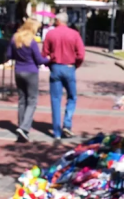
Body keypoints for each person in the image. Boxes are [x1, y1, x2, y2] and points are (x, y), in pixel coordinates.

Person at [5, 19, 49, 142]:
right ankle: (24, 128)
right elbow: (40, 60)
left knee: (22, 100)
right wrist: (49, 59)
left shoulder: (15, 38)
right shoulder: (32, 42)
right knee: (32, 100)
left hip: (18, 71)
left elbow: (9, 55)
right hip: (31, 72)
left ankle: (21, 127)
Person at [42, 12, 85, 140]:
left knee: (55, 99)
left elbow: (44, 54)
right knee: (72, 96)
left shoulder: (50, 34)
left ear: (57, 21)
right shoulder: (74, 34)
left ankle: (56, 132)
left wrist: (50, 65)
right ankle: (67, 123)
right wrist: (75, 65)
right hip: (69, 67)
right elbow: (81, 54)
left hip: (55, 67)